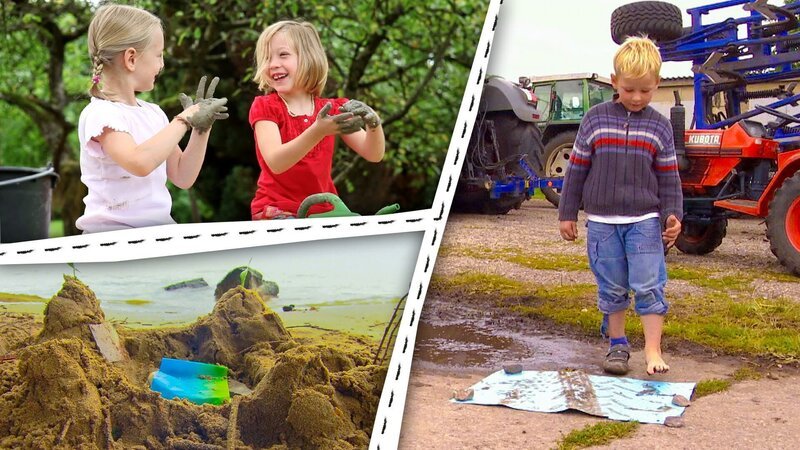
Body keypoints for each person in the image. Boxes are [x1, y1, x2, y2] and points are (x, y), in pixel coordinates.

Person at [557, 36, 683, 376]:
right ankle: (617, 346)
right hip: (601, 222)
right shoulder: (595, 119)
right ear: (615, 83)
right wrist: (567, 213)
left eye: (645, 90)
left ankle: (653, 350)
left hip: (644, 220)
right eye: (629, 90)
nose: (637, 97)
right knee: (611, 286)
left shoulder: (660, 126)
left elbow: (670, 177)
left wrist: (673, 215)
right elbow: (576, 171)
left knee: (648, 284)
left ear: (656, 84)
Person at [76, 4, 228, 233]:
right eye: (159, 55)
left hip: (156, 234)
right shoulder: (101, 114)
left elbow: (182, 176)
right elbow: (140, 163)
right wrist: (183, 120)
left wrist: (200, 129)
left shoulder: (153, 113)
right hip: (111, 240)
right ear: (131, 59)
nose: (162, 64)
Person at [249, 20, 385, 219]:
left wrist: (373, 122)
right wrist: (317, 131)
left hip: (324, 210)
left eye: (283, 55)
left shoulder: (332, 109)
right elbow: (276, 162)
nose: (273, 64)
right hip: (277, 210)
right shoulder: (266, 107)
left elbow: (373, 154)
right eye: (267, 58)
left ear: (309, 58)